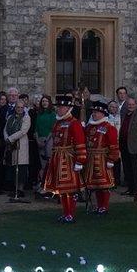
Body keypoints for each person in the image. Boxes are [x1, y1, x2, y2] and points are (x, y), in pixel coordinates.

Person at [43, 95, 87, 223]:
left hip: (69, 159)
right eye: (59, 107)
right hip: (58, 158)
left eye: (62, 107)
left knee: (71, 189)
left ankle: (70, 213)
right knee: (62, 189)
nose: (59, 110)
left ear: (68, 108)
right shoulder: (57, 123)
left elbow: (80, 142)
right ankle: (65, 212)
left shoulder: (74, 123)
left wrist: (80, 160)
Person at [83, 101, 120, 215]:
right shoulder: (89, 127)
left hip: (103, 159)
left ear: (103, 114)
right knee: (93, 185)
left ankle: (104, 206)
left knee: (103, 185)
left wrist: (111, 159)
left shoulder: (109, 127)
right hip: (90, 159)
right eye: (93, 112)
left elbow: (114, 145)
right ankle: (96, 205)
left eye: (96, 112)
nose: (94, 114)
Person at [119, 97, 137, 199]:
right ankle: (130, 189)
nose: (130, 106)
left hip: (134, 146)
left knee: (135, 169)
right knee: (127, 169)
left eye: (132, 104)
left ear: (135, 105)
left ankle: (136, 190)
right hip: (124, 145)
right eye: (129, 104)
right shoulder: (124, 115)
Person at [4, 98, 31, 197]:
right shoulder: (11, 117)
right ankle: (14, 188)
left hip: (21, 144)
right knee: (13, 167)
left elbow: (23, 131)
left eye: (21, 107)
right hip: (11, 145)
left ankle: (20, 189)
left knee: (21, 167)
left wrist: (10, 138)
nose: (19, 109)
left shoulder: (26, 118)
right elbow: (5, 128)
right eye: (18, 107)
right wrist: (6, 138)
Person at [34, 95, 56, 194]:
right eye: (43, 101)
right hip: (40, 139)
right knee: (42, 164)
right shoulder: (39, 114)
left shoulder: (52, 114)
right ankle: (43, 184)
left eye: (46, 101)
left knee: (49, 162)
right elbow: (36, 128)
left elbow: (53, 128)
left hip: (49, 139)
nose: (44, 103)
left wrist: (46, 140)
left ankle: (50, 185)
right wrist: (38, 140)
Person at [107, 100, 122, 186]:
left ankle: (117, 181)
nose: (114, 109)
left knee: (117, 162)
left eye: (116, 107)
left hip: (118, 143)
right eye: (112, 107)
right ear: (109, 108)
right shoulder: (105, 117)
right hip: (108, 144)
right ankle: (109, 180)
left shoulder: (120, 117)